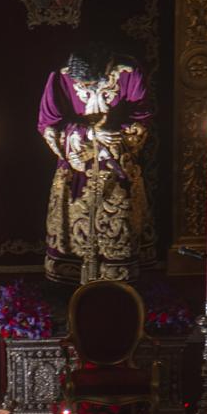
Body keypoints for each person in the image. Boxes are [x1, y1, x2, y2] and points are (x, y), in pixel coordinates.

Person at [37, 42, 155, 284]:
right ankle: (70, 290)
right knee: (74, 229)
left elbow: (143, 115)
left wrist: (116, 135)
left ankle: (120, 288)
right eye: (82, 84)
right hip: (77, 170)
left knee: (118, 225)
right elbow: (48, 124)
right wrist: (87, 134)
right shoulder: (61, 77)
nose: (86, 87)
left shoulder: (128, 72)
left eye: (91, 83)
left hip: (117, 165)